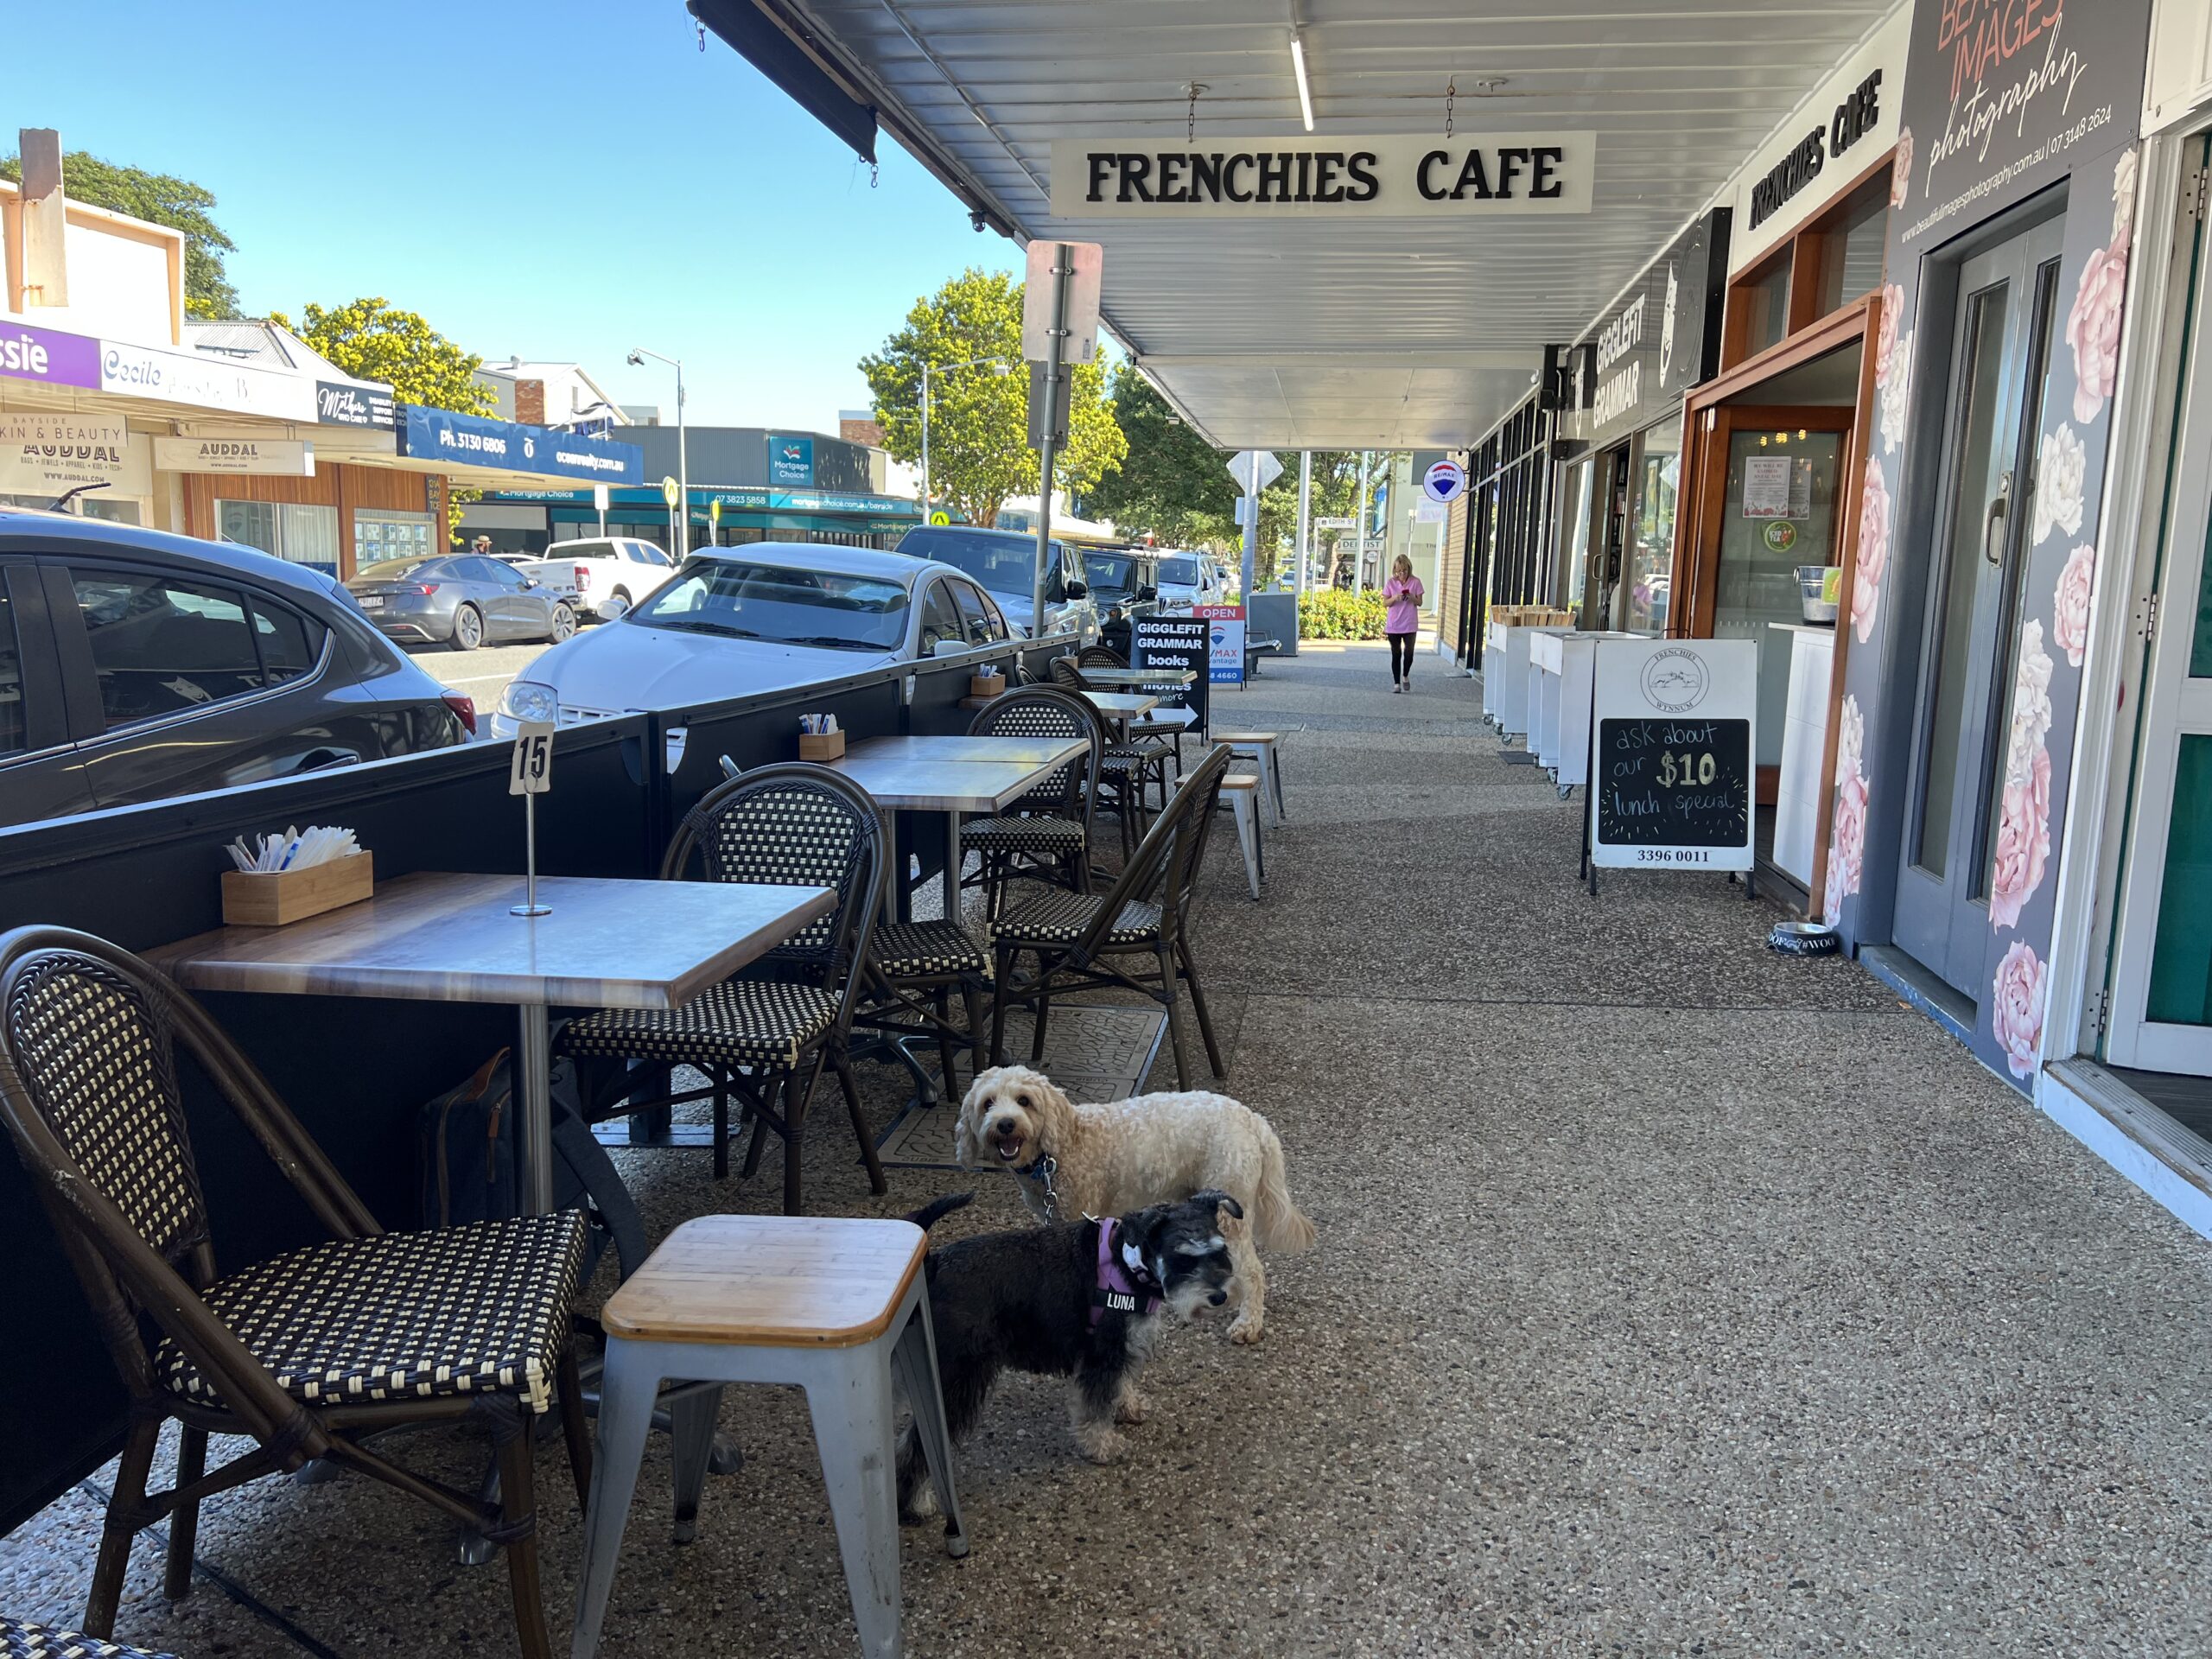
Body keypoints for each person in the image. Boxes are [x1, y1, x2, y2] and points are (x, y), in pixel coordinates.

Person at [1383, 554, 1423, 692]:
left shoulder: (1416, 582)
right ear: (1395, 570)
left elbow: (1420, 602)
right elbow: (1385, 603)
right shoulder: (1390, 583)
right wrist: (1395, 597)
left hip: (1410, 623)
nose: (1402, 574)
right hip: (1394, 624)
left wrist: (1412, 597)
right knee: (1396, 654)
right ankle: (1396, 684)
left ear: (1409, 569)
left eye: (1404, 570)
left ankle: (1405, 675)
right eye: (1399, 571)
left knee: (1409, 653)